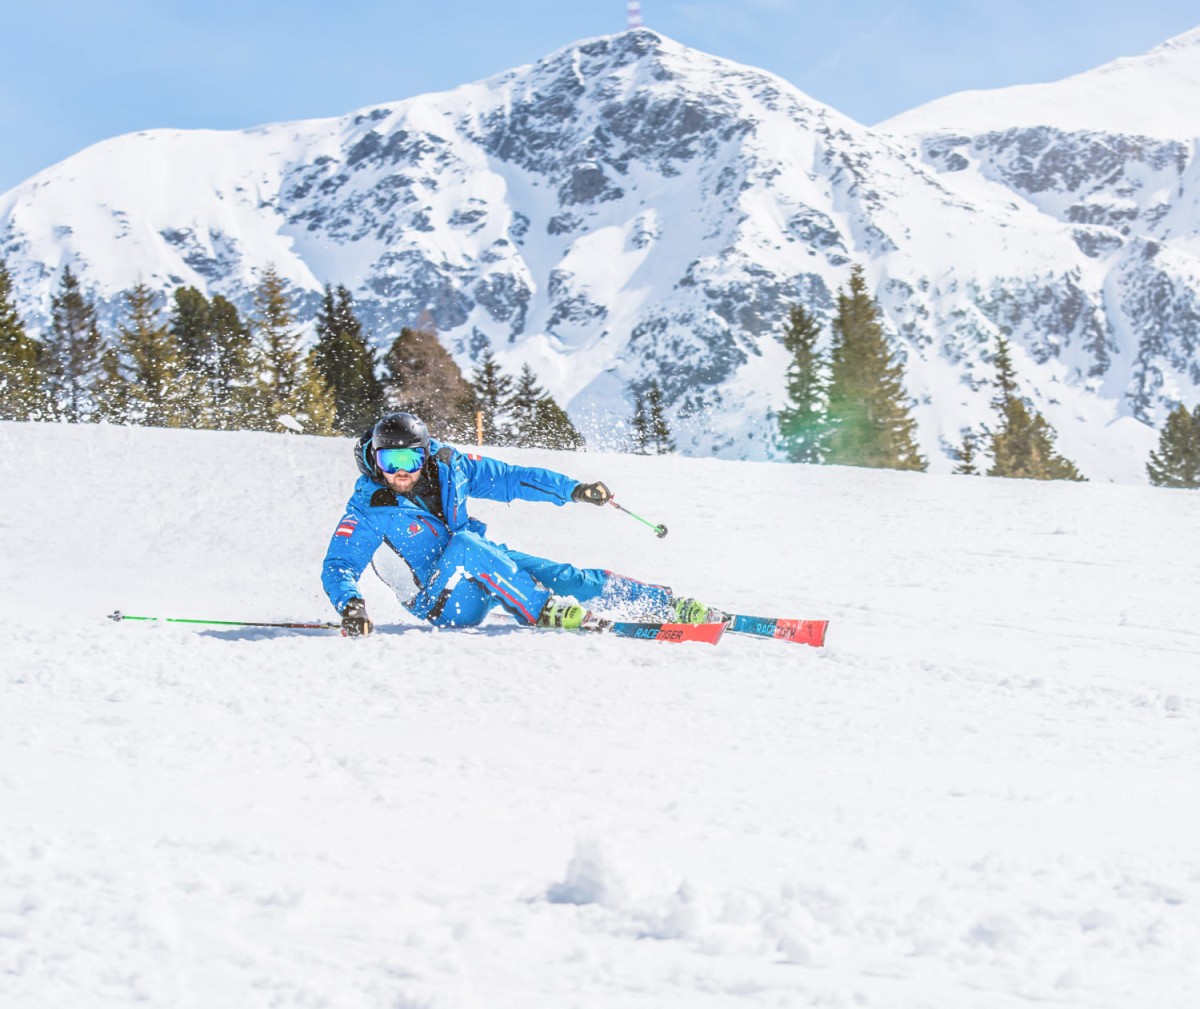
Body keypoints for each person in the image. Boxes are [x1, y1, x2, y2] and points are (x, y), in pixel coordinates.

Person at [321, 411, 720, 636]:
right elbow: (340, 564)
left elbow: (512, 479)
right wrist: (351, 605)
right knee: (467, 547)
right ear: (375, 459)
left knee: (566, 576)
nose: (399, 471)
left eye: (408, 459)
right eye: (389, 461)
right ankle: (542, 609)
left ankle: (664, 604)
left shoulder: (450, 467)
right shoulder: (368, 508)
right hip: (440, 600)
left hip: (482, 564)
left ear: (423, 455)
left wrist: (573, 490)